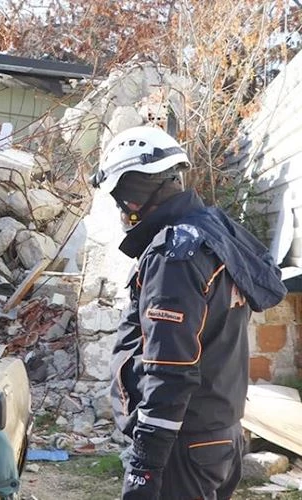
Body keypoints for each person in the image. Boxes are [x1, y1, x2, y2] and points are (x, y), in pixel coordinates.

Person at [90, 125, 287, 499]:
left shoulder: (174, 257)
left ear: (134, 194)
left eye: (121, 197)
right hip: (219, 433)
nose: (122, 208)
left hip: (185, 442)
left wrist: (146, 466)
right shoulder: (214, 232)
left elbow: (170, 370)